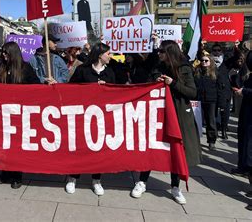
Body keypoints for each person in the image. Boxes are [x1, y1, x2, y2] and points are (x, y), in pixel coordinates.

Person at [131, 40, 201, 205]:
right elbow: (146, 82)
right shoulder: (158, 67)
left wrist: (172, 83)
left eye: (162, 51)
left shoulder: (184, 68)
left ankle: (175, 187)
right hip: (159, 114)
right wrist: (155, 80)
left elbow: (192, 92)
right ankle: (142, 182)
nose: (159, 53)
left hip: (179, 117)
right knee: (152, 147)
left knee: (176, 150)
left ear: (169, 53)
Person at [66, 42, 115, 195]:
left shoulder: (110, 72)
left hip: (101, 118)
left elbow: (116, 93)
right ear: (100, 55)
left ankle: (96, 180)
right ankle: (73, 177)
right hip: (83, 116)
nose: (111, 56)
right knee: (79, 147)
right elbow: (71, 89)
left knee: (98, 149)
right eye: (108, 54)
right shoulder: (83, 70)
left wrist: (107, 89)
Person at [0, 41, 40, 188]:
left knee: (17, 145)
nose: (4, 56)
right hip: (3, 113)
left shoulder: (25, 68)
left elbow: (36, 86)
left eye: (6, 53)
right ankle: (5, 171)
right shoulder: (0, 67)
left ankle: (17, 175)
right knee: (4, 144)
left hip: (19, 114)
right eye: (3, 53)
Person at [232, 51, 252, 211]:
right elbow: (238, 81)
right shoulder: (249, 74)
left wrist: (244, 92)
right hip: (247, 118)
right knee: (247, 154)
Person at [194, 54, 225, 150]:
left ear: (210, 62)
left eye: (206, 60)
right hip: (199, 100)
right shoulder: (196, 72)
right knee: (197, 121)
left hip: (211, 100)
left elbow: (220, 89)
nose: (204, 62)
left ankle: (211, 141)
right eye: (202, 60)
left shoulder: (216, 73)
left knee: (211, 121)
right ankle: (196, 141)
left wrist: (221, 103)